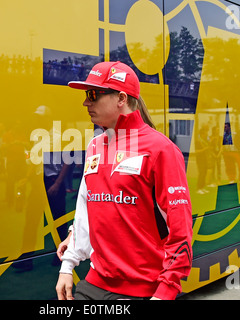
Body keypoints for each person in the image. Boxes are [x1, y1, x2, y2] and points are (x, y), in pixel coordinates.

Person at [55, 61, 193, 300]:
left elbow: (180, 229)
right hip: (93, 283)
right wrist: (67, 266)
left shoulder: (161, 149)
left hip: (143, 289)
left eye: (93, 94)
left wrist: (166, 291)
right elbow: (85, 210)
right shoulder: (95, 145)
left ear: (121, 98)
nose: (85, 102)